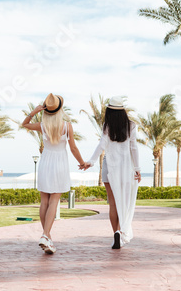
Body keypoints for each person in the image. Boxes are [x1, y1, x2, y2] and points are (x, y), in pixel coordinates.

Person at [22, 93, 86, 254]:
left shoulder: (42, 125)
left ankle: (47, 236)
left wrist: (34, 112)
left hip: (45, 163)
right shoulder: (66, 126)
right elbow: (73, 148)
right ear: (60, 109)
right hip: (60, 164)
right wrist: (82, 162)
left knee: (44, 201)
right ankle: (45, 235)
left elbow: (25, 124)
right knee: (54, 201)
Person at [83, 96, 141, 249]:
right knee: (125, 202)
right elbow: (134, 148)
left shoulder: (107, 126)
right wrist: (137, 169)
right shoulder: (131, 126)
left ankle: (115, 232)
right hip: (126, 169)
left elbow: (101, 145)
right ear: (123, 111)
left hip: (110, 168)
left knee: (113, 203)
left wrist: (91, 161)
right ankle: (122, 233)